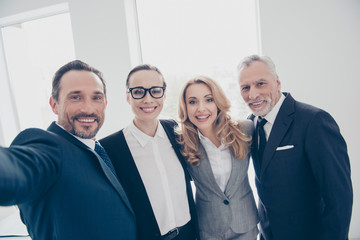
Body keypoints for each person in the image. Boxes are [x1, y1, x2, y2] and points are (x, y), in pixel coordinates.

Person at [0, 60, 136, 240]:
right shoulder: (49, 147)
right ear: (54, 104)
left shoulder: (98, 150)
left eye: (96, 97)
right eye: (75, 97)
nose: (88, 108)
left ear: (105, 103)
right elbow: (14, 170)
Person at [237, 54, 353, 240]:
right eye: (245, 87)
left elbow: (339, 197)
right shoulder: (251, 125)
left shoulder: (314, 121)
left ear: (277, 82)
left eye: (261, 84)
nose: (253, 94)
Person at [99, 64, 198, 240]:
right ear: (128, 97)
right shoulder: (110, 148)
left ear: (164, 94)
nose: (148, 99)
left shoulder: (176, 131)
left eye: (155, 91)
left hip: (189, 234)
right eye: (138, 92)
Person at [176, 76, 259, 240]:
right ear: (185, 107)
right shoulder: (181, 143)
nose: (201, 108)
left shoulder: (246, 129)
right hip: (209, 229)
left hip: (245, 223)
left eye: (209, 99)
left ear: (218, 102)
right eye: (192, 102)